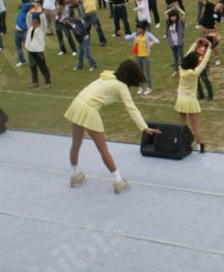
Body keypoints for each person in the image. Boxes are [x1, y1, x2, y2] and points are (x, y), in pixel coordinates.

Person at [63, 60, 160, 194]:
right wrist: (144, 127)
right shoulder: (121, 86)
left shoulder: (107, 75)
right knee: (103, 149)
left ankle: (75, 176)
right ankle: (118, 181)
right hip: (89, 109)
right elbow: (132, 109)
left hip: (77, 103)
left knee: (75, 144)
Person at [175, 37, 214, 153]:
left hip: (181, 99)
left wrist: (195, 43)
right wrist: (209, 47)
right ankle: (200, 148)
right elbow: (205, 60)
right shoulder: (195, 72)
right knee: (195, 127)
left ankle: (178, 144)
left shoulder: (181, 68)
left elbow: (187, 55)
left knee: (180, 125)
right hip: (191, 100)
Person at [24, 3, 51, 89]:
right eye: (32, 20)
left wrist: (41, 12)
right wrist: (30, 12)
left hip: (38, 50)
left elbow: (44, 21)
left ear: (37, 21)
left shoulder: (42, 29)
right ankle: (35, 81)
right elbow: (27, 19)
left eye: (34, 20)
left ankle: (48, 82)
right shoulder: (30, 27)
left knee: (42, 66)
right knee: (32, 66)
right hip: (30, 49)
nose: (32, 21)